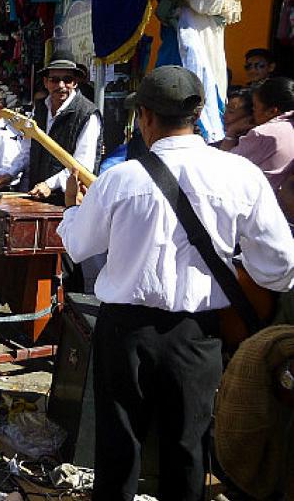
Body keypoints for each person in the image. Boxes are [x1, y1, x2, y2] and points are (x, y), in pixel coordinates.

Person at [56, 66, 294, 501]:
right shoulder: (240, 175)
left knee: (118, 449)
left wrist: (73, 207)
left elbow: (76, 245)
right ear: (198, 113)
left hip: (124, 332)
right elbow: (279, 266)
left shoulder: (119, 178)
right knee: (187, 450)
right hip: (197, 335)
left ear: (145, 117)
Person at [175, 0, 243, 143]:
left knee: (213, 74)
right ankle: (201, 128)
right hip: (195, 28)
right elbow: (202, 1)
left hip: (208, 31)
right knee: (201, 72)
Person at [16, 59, 102, 204]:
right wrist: (7, 173)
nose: (61, 85)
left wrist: (49, 184)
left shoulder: (88, 114)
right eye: (54, 80)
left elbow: (82, 165)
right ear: (46, 82)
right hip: (36, 197)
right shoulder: (40, 108)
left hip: (69, 204)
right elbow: (27, 150)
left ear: (74, 83)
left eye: (67, 80)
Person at [225, 77, 294, 189]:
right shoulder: (290, 126)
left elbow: (223, 166)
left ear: (272, 111)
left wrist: (231, 133)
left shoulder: (264, 135)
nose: (252, 113)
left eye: (255, 107)